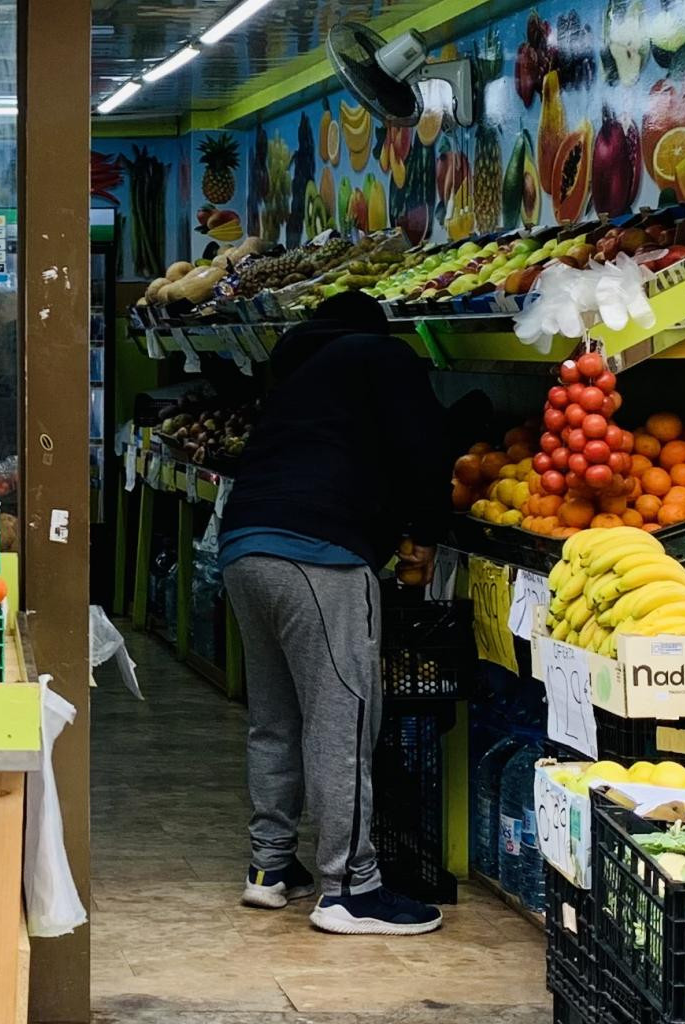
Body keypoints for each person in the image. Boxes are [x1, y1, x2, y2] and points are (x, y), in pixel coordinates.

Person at [217, 290, 480, 936]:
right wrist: (423, 526)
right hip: (321, 555)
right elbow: (423, 452)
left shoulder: (297, 375)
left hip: (244, 546)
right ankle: (351, 889)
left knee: (274, 718)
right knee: (343, 717)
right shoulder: (383, 357)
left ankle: (270, 868)